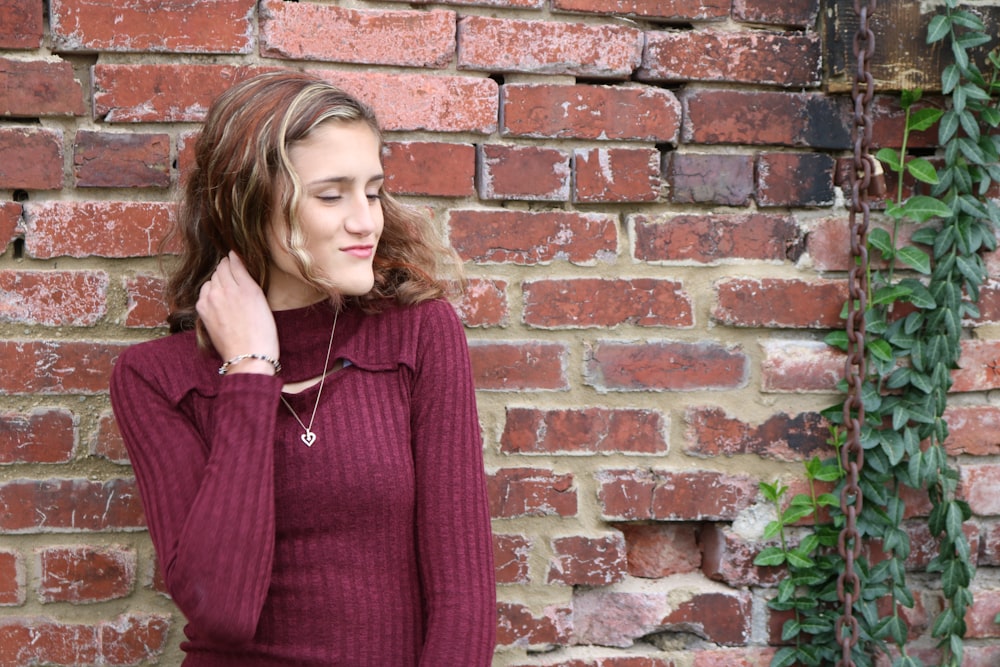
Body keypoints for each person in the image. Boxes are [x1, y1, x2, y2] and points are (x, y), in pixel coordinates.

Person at [109, 70, 496, 666]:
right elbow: (223, 611)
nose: (366, 221)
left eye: (372, 190)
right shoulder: (155, 378)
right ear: (245, 202)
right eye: (331, 194)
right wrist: (248, 371)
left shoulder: (418, 334)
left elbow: (464, 600)